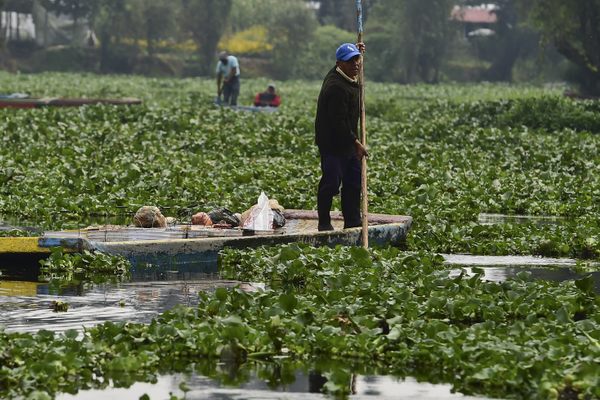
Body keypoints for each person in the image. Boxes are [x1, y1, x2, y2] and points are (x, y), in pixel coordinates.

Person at [314, 42, 368, 231]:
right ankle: (324, 223)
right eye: (350, 61)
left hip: (349, 141)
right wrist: (357, 144)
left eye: (356, 60)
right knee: (331, 183)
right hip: (333, 143)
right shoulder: (335, 87)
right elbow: (339, 124)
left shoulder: (349, 77)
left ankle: (352, 222)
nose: (355, 64)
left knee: (353, 182)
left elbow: (354, 59)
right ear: (339, 64)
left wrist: (357, 50)